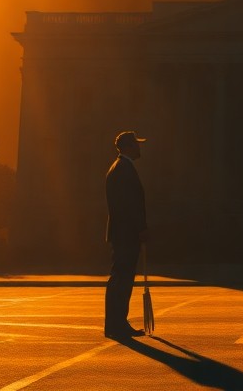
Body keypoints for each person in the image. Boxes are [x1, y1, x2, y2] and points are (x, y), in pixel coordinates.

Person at [104, 130, 148, 339]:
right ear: (129, 146)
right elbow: (130, 204)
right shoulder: (123, 169)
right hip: (126, 233)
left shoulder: (120, 167)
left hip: (123, 232)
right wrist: (141, 228)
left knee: (121, 279)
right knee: (122, 279)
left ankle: (117, 323)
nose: (139, 147)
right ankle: (117, 324)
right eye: (136, 144)